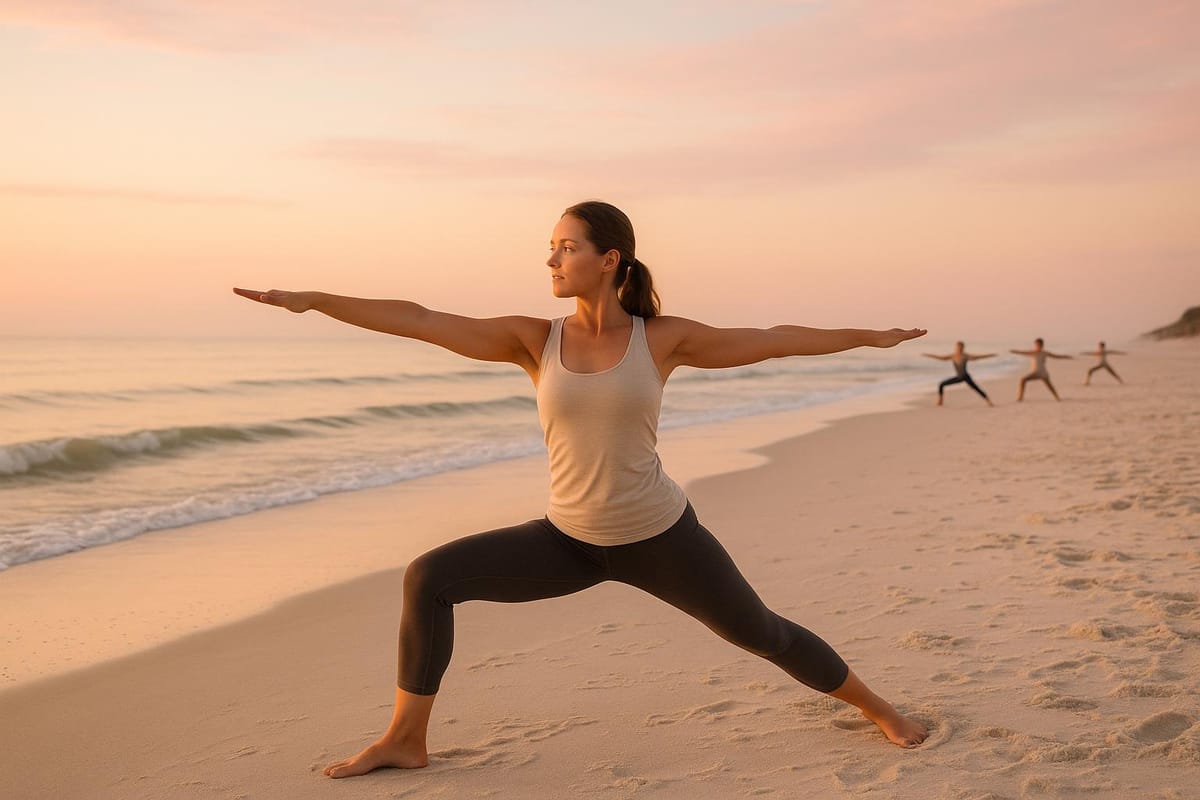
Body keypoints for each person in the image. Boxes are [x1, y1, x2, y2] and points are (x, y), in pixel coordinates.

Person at [234, 200, 930, 778]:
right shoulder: (531, 340)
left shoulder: (663, 340)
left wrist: (870, 337)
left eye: (565, 247)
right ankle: (405, 739)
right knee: (430, 577)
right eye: (550, 247)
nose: (551, 260)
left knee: (762, 633)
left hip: (660, 539)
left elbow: (774, 338)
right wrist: (316, 301)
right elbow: (418, 318)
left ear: (609, 260)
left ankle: (880, 710)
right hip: (566, 540)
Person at [922, 341, 995, 406]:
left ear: (963, 348)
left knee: (976, 388)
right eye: (958, 347)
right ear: (956, 347)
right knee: (941, 384)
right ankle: (940, 401)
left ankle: (988, 401)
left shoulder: (965, 356)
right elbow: (941, 358)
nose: (959, 349)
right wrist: (929, 355)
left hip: (966, 376)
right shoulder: (953, 356)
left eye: (961, 347)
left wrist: (990, 355)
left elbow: (978, 357)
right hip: (959, 377)